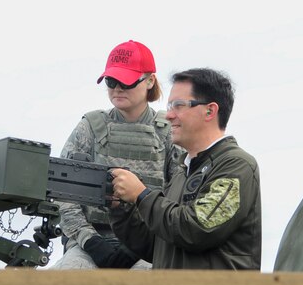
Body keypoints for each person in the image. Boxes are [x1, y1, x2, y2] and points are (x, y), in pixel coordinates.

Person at [108, 68, 261, 270]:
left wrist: (141, 195)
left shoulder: (237, 166)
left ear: (210, 111)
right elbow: (157, 245)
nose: (169, 115)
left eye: (179, 105)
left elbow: (196, 229)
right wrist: (121, 210)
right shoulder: (183, 171)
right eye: (170, 105)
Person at [50, 40, 173, 269]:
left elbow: (178, 199)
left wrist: (139, 246)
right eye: (111, 81)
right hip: (89, 244)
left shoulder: (167, 132)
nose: (117, 88)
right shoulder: (91, 126)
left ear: (149, 80)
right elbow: (62, 193)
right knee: (63, 282)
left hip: (148, 247)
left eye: (125, 81)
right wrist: (91, 241)